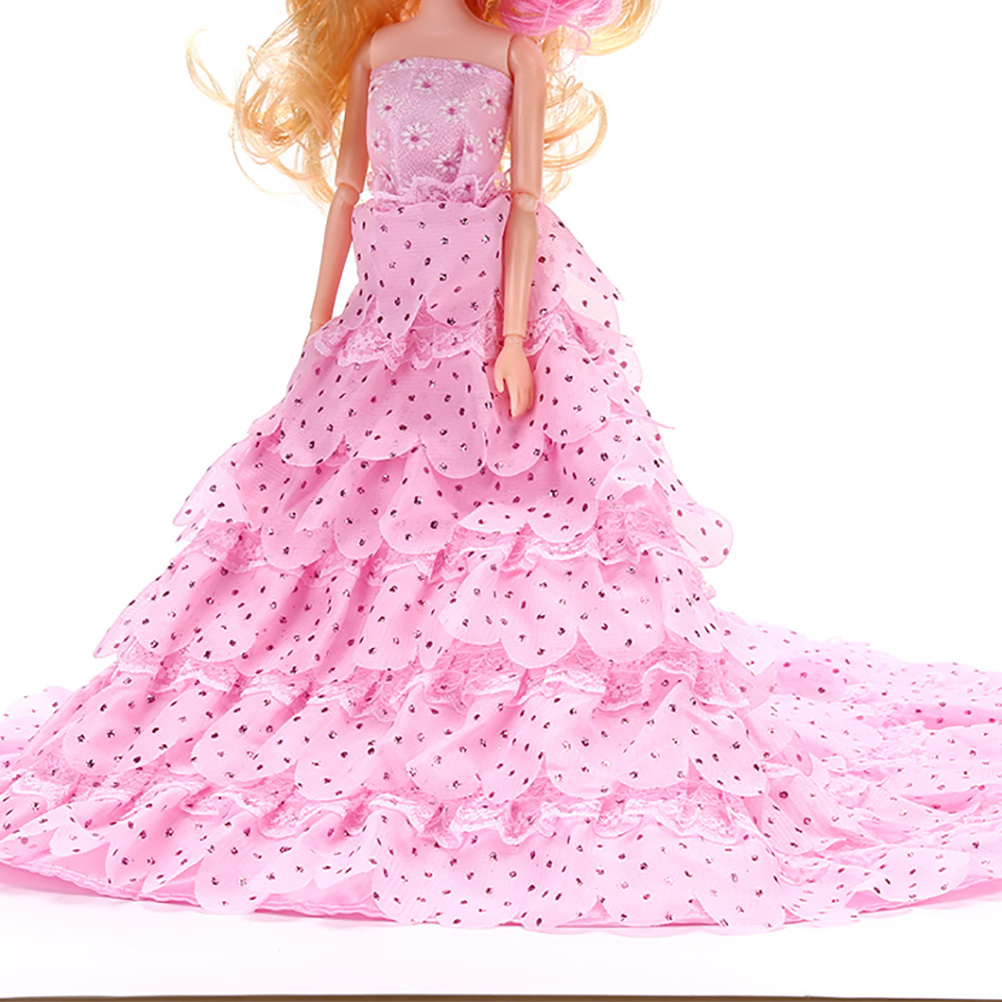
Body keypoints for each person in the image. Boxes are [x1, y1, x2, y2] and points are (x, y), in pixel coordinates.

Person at [1, 0, 1000, 933]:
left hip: (481, 294)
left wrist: (515, 336)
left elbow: (525, 200)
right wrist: (319, 320)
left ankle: (479, 677)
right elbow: (346, 192)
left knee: (515, 514)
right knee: (346, 511)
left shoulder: (513, 54)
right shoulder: (379, 52)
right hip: (388, 297)